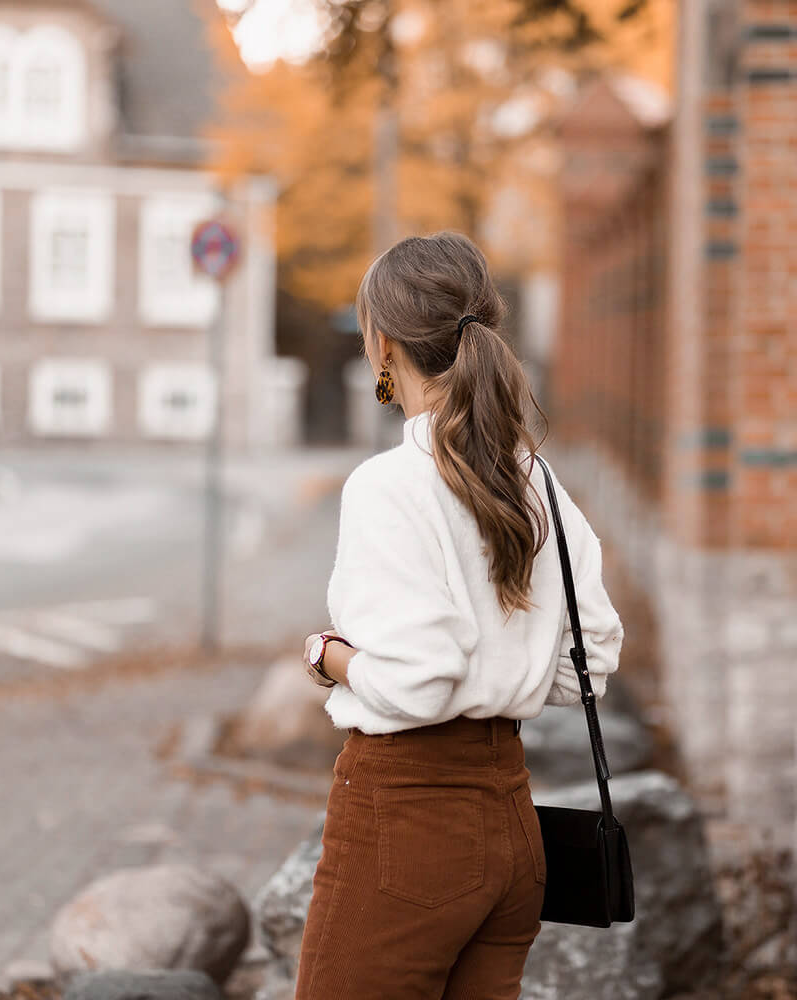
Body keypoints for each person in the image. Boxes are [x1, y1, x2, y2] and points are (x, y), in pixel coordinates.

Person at [295, 232, 625, 1000]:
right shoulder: (533, 478)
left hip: (407, 823)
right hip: (511, 825)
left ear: (382, 344)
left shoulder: (391, 486)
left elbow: (418, 682)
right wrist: (507, 677)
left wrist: (327, 657)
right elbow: (594, 658)